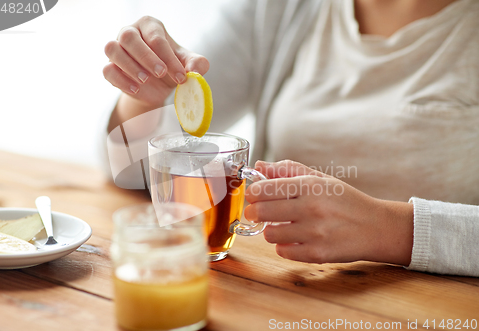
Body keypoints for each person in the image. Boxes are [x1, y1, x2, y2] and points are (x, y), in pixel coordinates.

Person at [103, 0, 479, 276]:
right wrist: (145, 98)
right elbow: (125, 167)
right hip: (277, 288)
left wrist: (388, 228)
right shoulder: (278, 9)